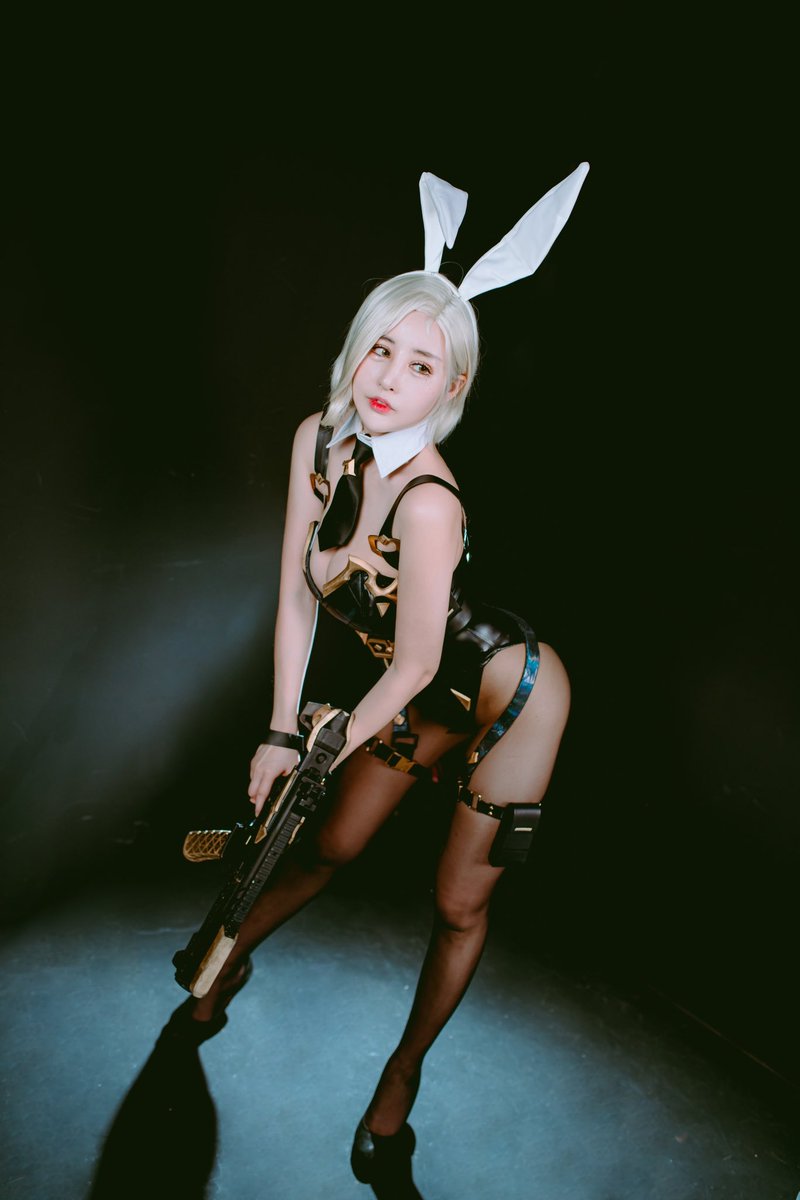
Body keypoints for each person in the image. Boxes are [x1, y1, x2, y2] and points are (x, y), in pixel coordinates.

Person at [164, 162, 590, 1193]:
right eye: (381, 348)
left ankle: (400, 1079)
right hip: (415, 691)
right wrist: (280, 731)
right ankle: (229, 952)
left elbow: (415, 662)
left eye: (420, 363)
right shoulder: (317, 444)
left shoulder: (429, 502)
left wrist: (318, 751)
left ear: (453, 388)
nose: (389, 376)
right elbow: (297, 596)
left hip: (512, 698)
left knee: (456, 907)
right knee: (333, 842)